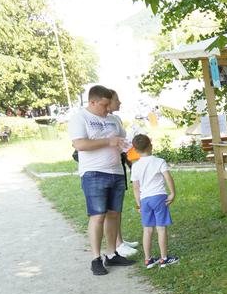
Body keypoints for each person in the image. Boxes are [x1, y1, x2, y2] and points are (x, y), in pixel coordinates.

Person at [69, 85, 135, 276]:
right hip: (94, 173)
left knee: (114, 214)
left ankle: (112, 253)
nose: (108, 109)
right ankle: (96, 258)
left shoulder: (114, 119)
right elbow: (79, 144)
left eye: (109, 105)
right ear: (93, 102)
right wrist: (108, 141)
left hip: (116, 172)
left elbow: (123, 141)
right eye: (104, 105)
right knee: (98, 216)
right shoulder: (81, 118)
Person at [129, 134, 179, 269]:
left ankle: (148, 260)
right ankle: (164, 258)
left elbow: (135, 187)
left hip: (144, 200)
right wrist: (172, 193)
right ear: (151, 146)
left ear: (135, 149)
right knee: (161, 228)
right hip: (158, 197)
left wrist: (139, 203)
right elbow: (168, 178)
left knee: (147, 229)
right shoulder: (159, 161)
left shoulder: (135, 166)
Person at [106, 90, 139, 258]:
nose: (120, 102)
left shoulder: (115, 119)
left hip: (118, 165)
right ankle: (117, 244)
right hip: (108, 168)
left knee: (117, 207)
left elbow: (123, 143)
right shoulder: (102, 120)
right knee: (112, 209)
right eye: (117, 100)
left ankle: (120, 240)